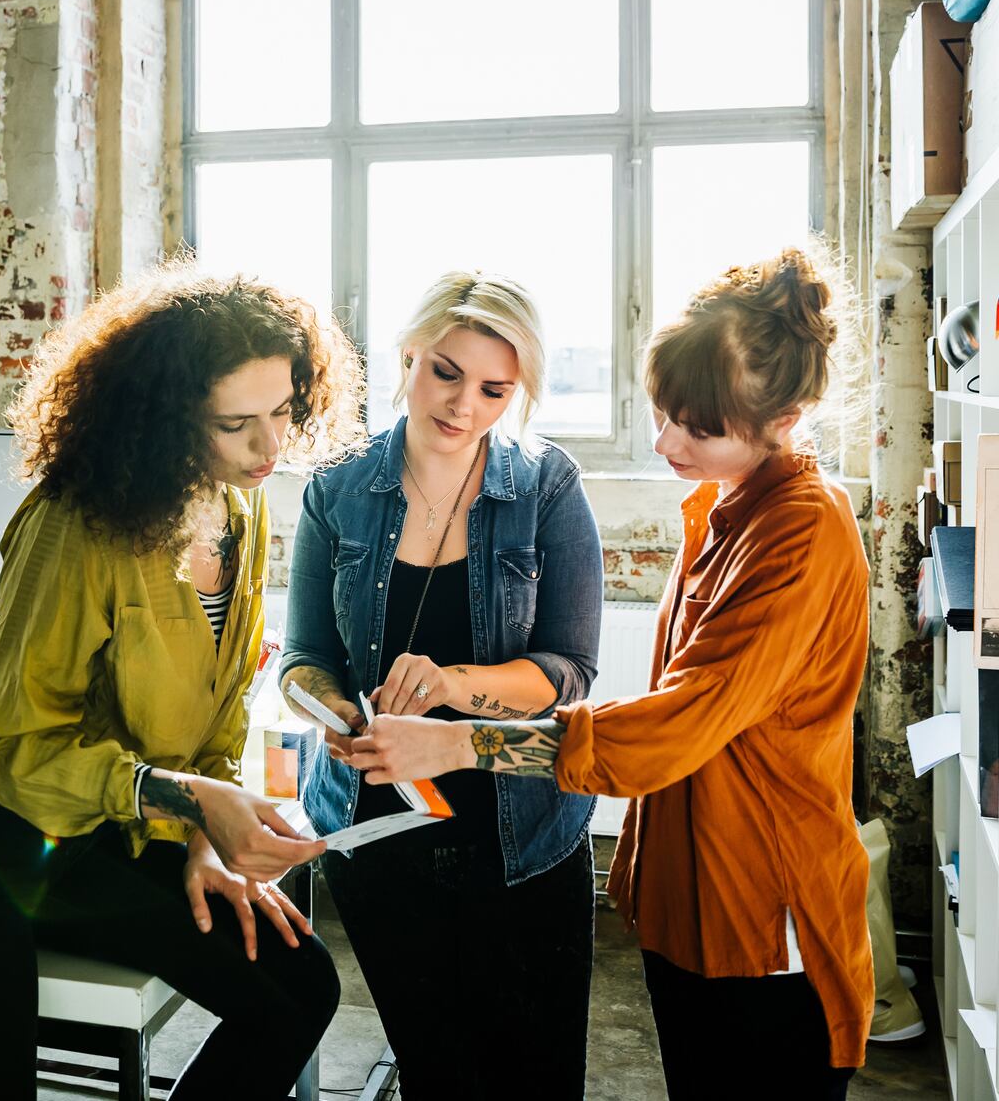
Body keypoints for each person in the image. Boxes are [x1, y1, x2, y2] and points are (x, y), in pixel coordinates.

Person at [345, 248, 873, 1100]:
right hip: (690, 893)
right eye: (662, 413)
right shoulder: (727, 505)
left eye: (696, 428)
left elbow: (675, 725)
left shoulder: (800, 531)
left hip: (760, 907)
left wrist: (456, 746)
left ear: (789, 416)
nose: (665, 442)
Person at [0, 262, 365, 1100]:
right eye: (236, 423)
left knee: (296, 986)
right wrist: (193, 801)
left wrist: (208, 832)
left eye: (283, 412)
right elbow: (14, 748)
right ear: (162, 420)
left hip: (107, 821)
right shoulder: (77, 522)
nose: (270, 448)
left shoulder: (241, 502)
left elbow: (221, 700)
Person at [280, 271, 602, 1101]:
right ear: (409, 355)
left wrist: (451, 681)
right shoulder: (337, 487)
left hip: (523, 835)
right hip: (374, 832)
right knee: (436, 1069)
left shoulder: (545, 488)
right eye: (445, 372)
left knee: (535, 1074)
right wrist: (336, 711)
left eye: (495, 388)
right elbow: (302, 657)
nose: (462, 405)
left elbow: (568, 671)